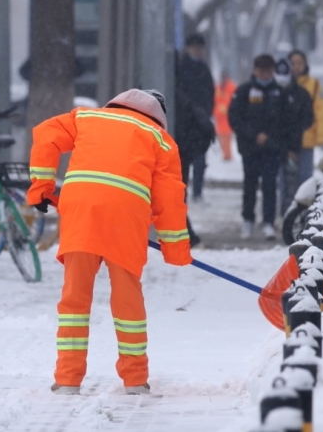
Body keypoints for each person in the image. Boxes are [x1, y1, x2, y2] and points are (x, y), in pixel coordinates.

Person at [27, 89, 192, 396]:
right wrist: (174, 247)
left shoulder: (88, 117)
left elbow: (46, 134)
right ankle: (135, 380)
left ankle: (67, 379)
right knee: (127, 298)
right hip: (126, 216)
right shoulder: (160, 139)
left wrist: (42, 186)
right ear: (158, 115)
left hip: (81, 210)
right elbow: (170, 197)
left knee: (74, 298)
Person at [229, 54, 285, 240]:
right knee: (250, 185)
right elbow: (235, 117)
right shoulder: (244, 91)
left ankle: (269, 222)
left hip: (272, 148)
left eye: (268, 70)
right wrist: (253, 135)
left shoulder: (279, 92)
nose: (264, 74)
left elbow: (284, 120)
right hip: (250, 148)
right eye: (261, 70)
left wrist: (268, 136)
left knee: (270, 185)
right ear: (255, 70)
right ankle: (248, 220)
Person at [176, 33, 215, 209]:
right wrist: (193, 111)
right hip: (185, 123)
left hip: (200, 124)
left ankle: (197, 192)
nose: (197, 51)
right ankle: (182, 193)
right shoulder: (181, 67)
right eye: (194, 47)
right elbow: (179, 93)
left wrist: (205, 114)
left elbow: (210, 93)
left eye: (199, 48)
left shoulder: (204, 69)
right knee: (182, 162)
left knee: (200, 160)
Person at [274, 58, 314, 216]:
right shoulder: (273, 93)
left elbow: (306, 119)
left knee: (300, 181)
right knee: (282, 183)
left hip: (298, 144)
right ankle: (285, 213)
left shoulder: (301, 94)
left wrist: (293, 145)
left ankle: (297, 214)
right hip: (275, 146)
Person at [288, 50, 323, 185]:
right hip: (286, 142)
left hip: (307, 139)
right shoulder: (284, 85)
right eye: (293, 63)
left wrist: (321, 136)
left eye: (299, 63)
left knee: (305, 179)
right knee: (287, 180)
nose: (296, 66)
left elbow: (321, 112)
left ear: (305, 64)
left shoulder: (314, 85)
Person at [214, 70, 237, 161]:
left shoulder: (232, 87)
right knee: (221, 135)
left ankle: (228, 155)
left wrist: (226, 108)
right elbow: (214, 100)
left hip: (228, 116)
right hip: (219, 117)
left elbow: (233, 101)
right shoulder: (217, 88)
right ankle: (225, 153)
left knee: (227, 136)